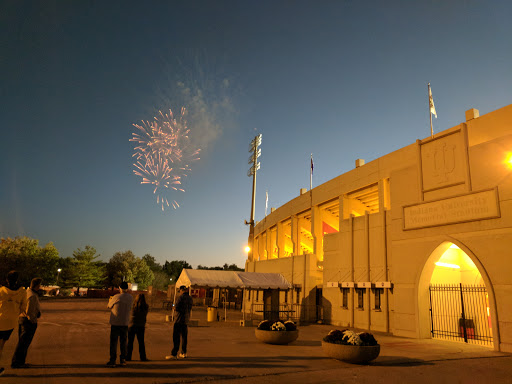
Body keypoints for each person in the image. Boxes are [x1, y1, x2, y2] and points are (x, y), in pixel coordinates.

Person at [11, 277, 42, 369]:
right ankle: (17, 363)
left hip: (22, 319)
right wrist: (33, 321)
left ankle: (19, 362)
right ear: (37, 285)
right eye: (39, 285)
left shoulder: (26, 292)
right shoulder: (32, 295)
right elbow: (29, 311)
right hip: (28, 321)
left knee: (22, 342)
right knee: (24, 343)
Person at [0, 271, 27, 376]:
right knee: (1, 345)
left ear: (7, 279)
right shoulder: (22, 292)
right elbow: (23, 307)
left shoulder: (1, 291)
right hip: (10, 323)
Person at [106, 281, 133, 367]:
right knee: (123, 342)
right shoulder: (130, 297)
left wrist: (111, 300)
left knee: (114, 342)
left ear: (120, 288)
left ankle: (113, 360)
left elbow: (109, 306)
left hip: (115, 322)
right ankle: (123, 359)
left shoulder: (116, 297)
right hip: (125, 322)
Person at [166, 285, 193, 360]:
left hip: (179, 320)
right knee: (184, 337)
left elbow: (176, 308)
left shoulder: (180, 298)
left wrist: (173, 307)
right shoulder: (190, 298)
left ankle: (174, 353)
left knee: (176, 337)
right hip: (186, 320)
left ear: (181, 290)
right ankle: (183, 352)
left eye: (180, 291)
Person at [126, 293, 149, 361]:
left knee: (130, 342)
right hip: (141, 326)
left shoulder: (133, 306)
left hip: (132, 325)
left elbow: (130, 314)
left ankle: (128, 356)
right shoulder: (146, 306)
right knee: (141, 342)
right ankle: (143, 357)